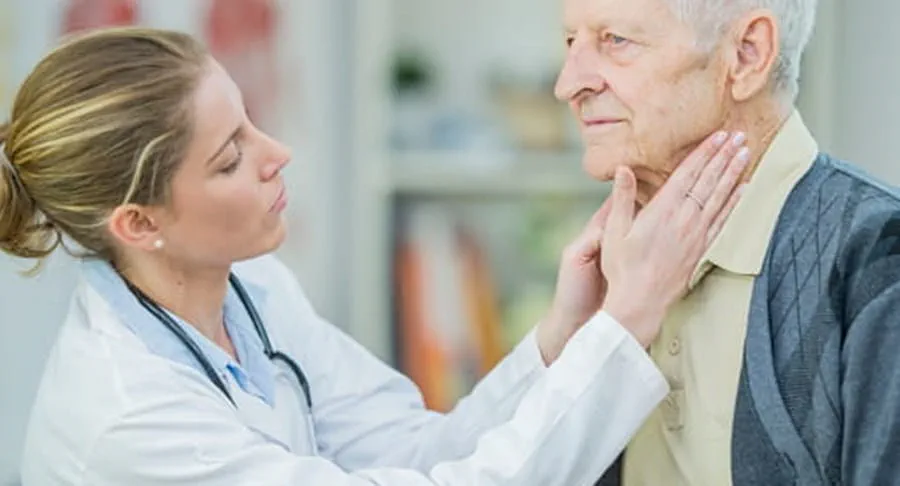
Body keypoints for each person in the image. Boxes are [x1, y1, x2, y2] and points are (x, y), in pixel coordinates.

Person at [0, 27, 748, 485]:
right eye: (230, 158)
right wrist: (630, 318)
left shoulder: (252, 290)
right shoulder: (128, 421)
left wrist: (566, 335)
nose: (278, 155)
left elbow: (418, 452)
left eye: (252, 124)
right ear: (138, 221)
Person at [553, 0, 900, 484]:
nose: (568, 85)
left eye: (616, 41)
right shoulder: (603, 267)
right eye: (572, 42)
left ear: (746, 54)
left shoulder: (880, 259)